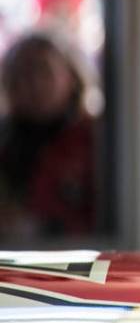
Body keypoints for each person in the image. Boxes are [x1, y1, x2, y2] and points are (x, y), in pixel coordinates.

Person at [0, 31, 97, 239]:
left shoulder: (96, 140)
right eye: (21, 74)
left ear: (70, 77)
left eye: (43, 71)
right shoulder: (5, 143)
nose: (33, 84)